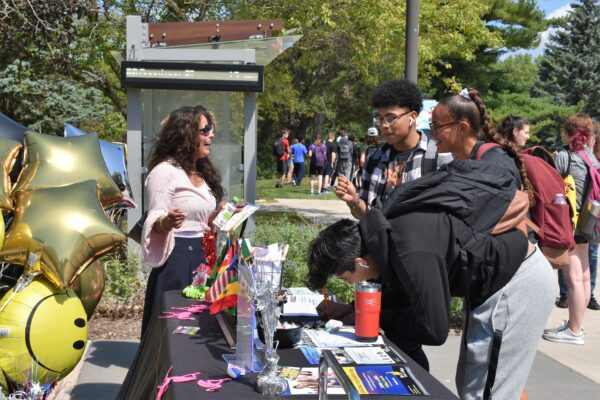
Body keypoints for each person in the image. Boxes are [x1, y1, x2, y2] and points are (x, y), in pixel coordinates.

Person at [308, 207, 553, 400]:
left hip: (516, 283)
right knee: (472, 384)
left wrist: (374, 317)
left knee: (486, 392)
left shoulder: (408, 252)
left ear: (360, 262)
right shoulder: (384, 236)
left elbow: (433, 330)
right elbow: (406, 293)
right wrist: (354, 309)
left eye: (344, 277)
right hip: (491, 284)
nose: (350, 283)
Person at [140, 105, 224, 335]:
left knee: (197, 331)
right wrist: (166, 223)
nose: (211, 134)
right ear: (185, 134)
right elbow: (155, 216)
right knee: (172, 331)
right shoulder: (164, 171)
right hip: (176, 260)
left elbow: (202, 220)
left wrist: (224, 215)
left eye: (211, 128)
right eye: (205, 130)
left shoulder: (201, 172)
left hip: (201, 258)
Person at [335, 79, 451, 219]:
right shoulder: (375, 157)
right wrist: (354, 201)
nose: (384, 125)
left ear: (412, 117)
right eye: (380, 118)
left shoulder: (438, 156)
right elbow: (367, 217)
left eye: (391, 118)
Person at [544, 113, 600, 344]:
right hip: (589, 221)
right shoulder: (592, 158)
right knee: (585, 276)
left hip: (573, 222)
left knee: (574, 278)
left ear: (568, 133)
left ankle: (574, 330)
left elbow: (550, 182)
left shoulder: (567, 156)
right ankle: (577, 324)